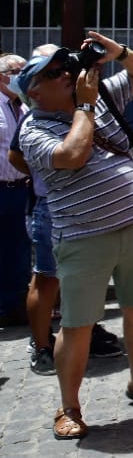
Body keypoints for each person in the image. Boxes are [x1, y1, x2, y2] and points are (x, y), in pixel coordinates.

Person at [15, 35, 133, 440]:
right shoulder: (33, 128)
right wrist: (85, 106)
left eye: (65, 68)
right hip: (84, 236)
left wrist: (117, 51)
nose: (66, 75)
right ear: (34, 92)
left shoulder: (98, 97)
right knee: (78, 323)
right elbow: (73, 155)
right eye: (54, 73)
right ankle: (69, 407)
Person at [1, 54, 31, 327]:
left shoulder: (22, 107)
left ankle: (15, 305)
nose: (21, 75)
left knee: (19, 250)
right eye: (15, 71)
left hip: (20, 189)